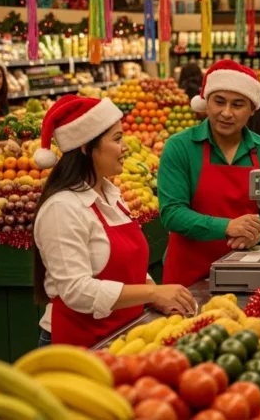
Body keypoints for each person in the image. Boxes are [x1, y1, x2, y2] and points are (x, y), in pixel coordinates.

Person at [32, 96, 194, 347]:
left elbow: (132, 267)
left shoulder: (111, 196)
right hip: (77, 344)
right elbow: (76, 291)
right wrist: (152, 292)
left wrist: (156, 295)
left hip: (119, 336)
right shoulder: (62, 208)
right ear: (87, 147)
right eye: (117, 139)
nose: (126, 147)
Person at [158, 60, 260, 287]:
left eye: (237, 105)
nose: (226, 113)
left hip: (247, 272)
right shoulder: (180, 147)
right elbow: (171, 212)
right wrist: (226, 227)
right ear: (206, 102)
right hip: (188, 278)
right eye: (219, 102)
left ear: (252, 109)